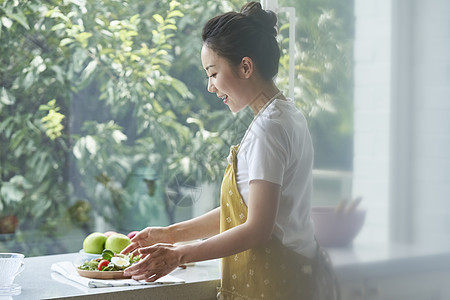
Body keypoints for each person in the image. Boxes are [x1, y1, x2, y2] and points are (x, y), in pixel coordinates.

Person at [122, 2, 339, 299]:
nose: (210, 87)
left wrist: (179, 255)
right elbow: (244, 210)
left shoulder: (269, 130)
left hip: (273, 285)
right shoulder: (286, 114)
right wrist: (170, 234)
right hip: (294, 277)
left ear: (246, 67)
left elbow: (257, 229)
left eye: (212, 73)